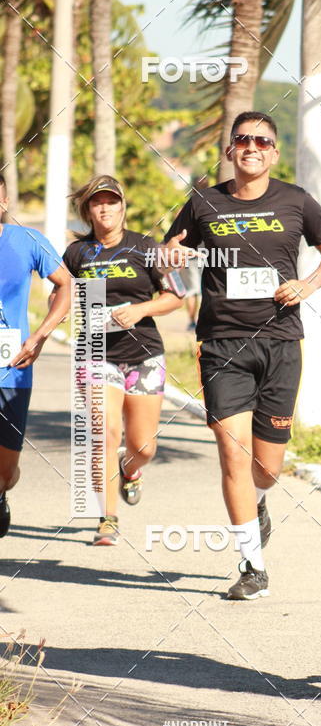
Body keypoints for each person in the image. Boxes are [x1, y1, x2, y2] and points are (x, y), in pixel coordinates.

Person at [164, 111, 321, 600]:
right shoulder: (204, 201)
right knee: (232, 455)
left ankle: (259, 502)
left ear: (274, 151)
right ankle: (252, 566)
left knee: (266, 467)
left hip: (281, 342)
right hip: (222, 343)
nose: (251, 147)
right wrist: (174, 258)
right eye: (242, 139)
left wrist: (307, 284)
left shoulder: (296, 201)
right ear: (230, 150)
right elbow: (170, 253)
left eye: (262, 141)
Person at [64, 175, 183, 547]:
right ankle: (107, 517)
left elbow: (174, 297)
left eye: (111, 202)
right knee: (104, 432)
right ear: (88, 211)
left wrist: (139, 310)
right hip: (96, 356)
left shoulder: (145, 248)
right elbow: (62, 293)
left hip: (145, 354)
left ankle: (130, 471)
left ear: (122, 206)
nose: (105, 208)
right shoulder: (77, 254)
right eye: (97, 203)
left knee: (143, 447)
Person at [0, 174, 71, 537]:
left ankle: (2, 493)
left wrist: (41, 336)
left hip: (12, 368)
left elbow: (65, 285)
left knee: (6, 471)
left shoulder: (26, 240)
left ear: (4, 201)